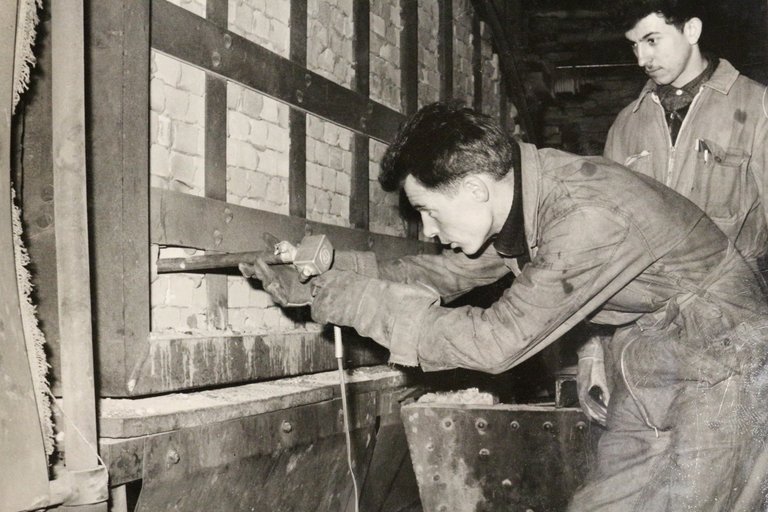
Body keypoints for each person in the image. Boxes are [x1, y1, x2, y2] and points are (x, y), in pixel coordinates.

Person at [242, 102, 768, 510]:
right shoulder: (522, 195)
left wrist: (356, 301)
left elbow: (498, 340)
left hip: (727, 362)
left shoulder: (583, 215)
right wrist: (327, 278)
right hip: (656, 353)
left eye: (428, 211)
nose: (428, 230)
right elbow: (447, 273)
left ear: (474, 189)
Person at [576, 0, 768, 429]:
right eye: (634, 45)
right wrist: (592, 355)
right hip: (641, 341)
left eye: (651, 40)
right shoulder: (626, 125)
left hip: (729, 337)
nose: (641, 58)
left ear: (692, 30)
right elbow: (600, 252)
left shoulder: (757, 108)